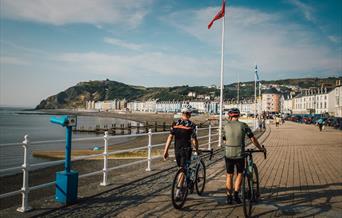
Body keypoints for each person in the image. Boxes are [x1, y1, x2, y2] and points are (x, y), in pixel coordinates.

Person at [223, 108, 266, 204]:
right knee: (239, 174)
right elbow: (253, 139)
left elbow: (224, 140)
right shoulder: (243, 125)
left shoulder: (225, 126)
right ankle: (236, 195)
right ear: (238, 116)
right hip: (239, 154)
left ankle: (228, 197)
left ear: (230, 116)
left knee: (229, 175)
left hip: (228, 154)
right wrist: (260, 148)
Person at [163, 106, 199, 200]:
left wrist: (165, 151)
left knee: (180, 168)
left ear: (182, 114)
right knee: (183, 169)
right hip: (186, 150)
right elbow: (194, 140)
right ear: (189, 114)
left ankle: (182, 185)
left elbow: (170, 137)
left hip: (177, 150)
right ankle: (179, 191)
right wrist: (197, 149)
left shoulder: (175, 123)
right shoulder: (191, 125)